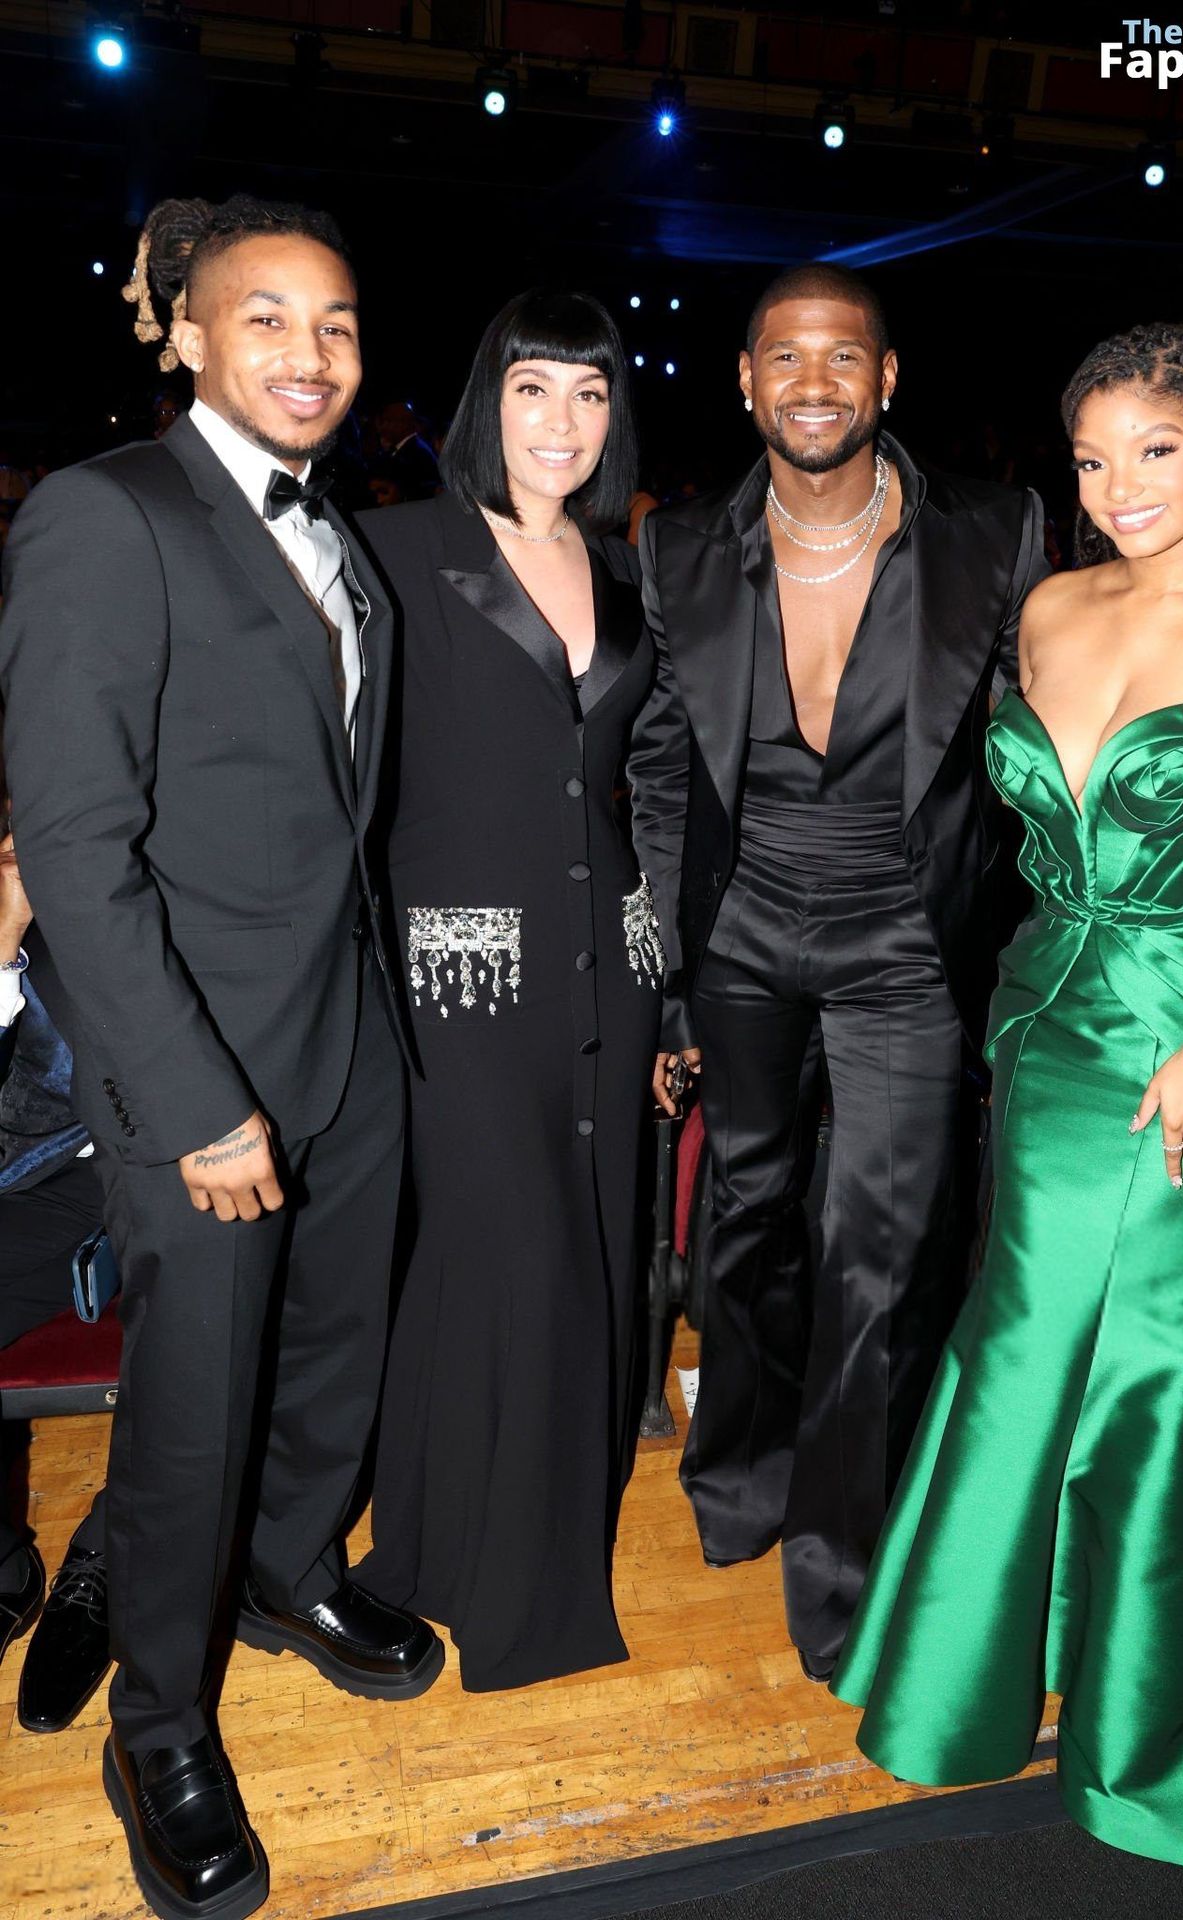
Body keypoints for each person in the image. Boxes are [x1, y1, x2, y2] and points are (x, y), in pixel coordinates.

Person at [834, 322, 1183, 1870]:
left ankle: (1141, 1739)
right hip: (1044, 1012)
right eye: (1090, 458)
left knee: (1134, 1345)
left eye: (1154, 449)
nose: (1118, 485)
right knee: (1047, 1319)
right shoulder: (1055, 607)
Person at [0, 194, 441, 1920]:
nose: (310, 355)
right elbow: (77, 850)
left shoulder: (341, 529)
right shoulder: (107, 515)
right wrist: (193, 1102)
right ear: (184, 333)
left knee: (336, 1351)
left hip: (350, 1034)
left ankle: (288, 1568)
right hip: (197, 1065)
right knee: (191, 1414)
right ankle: (161, 1729)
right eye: (266, 319)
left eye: (336, 324)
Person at [627, 263, 1049, 1681]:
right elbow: (664, 775)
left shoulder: (996, 531)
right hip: (738, 930)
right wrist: (674, 978)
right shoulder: (677, 547)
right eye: (785, 356)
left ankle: (846, 1546)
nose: (814, 383)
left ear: (887, 378)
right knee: (746, 1212)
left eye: (843, 356)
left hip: (906, 938)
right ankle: (740, 1467)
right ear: (745, 379)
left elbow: (1055, 717)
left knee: (884, 1242)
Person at [353, 290, 660, 1690]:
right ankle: (500, 1585)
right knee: (504, 1250)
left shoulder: (625, 567)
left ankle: (467, 1545)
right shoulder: (397, 551)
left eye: (590, 394)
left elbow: (646, 778)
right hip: (461, 962)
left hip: (609, 957)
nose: (562, 421)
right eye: (535, 388)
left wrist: (674, 979)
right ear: (489, 399)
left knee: (591, 1241)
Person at [0, 805, 111, 1734]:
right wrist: (3, 945)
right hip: (40, 1169)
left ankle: (106, 1562)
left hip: (181, 1150)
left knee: (210, 1317)